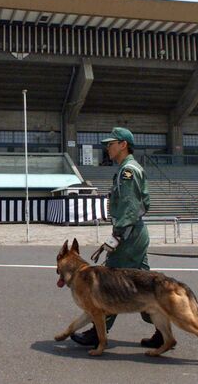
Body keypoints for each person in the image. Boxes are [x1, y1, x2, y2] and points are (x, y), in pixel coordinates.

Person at [69, 127, 164, 348]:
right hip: (135, 233)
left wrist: (117, 236)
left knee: (109, 284)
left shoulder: (127, 171)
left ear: (123, 145)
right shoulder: (127, 168)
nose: (107, 148)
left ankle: (97, 333)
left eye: (111, 144)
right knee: (146, 288)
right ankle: (162, 332)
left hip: (129, 235)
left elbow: (130, 207)